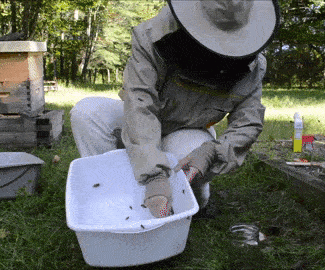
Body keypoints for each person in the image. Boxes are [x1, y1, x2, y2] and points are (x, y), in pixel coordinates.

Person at [71, 0, 280, 218]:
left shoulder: (253, 67)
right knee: (87, 114)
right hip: (144, 119)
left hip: (189, 131)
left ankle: (196, 203)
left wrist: (213, 151)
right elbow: (139, 102)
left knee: (190, 152)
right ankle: (113, 195)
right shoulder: (152, 35)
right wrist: (154, 176)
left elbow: (248, 121)